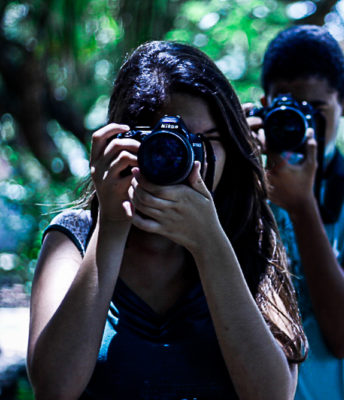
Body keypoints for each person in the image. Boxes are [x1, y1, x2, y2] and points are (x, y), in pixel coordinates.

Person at [27, 40, 307, 400]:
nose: (187, 159)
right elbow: (54, 390)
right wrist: (112, 226)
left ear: (232, 147)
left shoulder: (250, 236)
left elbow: (272, 395)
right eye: (167, 142)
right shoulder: (76, 237)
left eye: (204, 140)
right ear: (123, 142)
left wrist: (210, 243)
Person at [246, 25, 344, 399]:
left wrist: (302, 208)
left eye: (315, 111)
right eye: (285, 111)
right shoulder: (245, 184)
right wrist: (235, 169)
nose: (301, 128)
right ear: (264, 107)